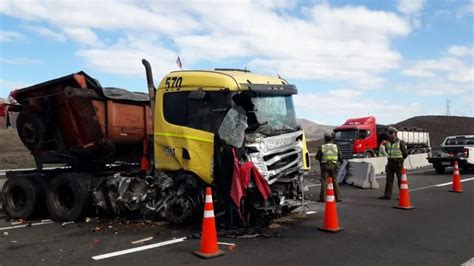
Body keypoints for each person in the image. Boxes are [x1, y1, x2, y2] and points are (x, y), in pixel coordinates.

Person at [379, 127, 408, 199]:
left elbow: (405, 153)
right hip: (390, 162)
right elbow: (386, 150)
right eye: (389, 133)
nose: (389, 135)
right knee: (389, 180)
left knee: (400, 180)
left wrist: (400, 160)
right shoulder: (387, 142)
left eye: (391, 133)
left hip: (398, 163)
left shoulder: (400, 142)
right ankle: (387, 195)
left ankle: (402, 195)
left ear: (395, 134)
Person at [316, 132, 343, 202]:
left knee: (324, 181)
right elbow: (340, 156)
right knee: (335, 181)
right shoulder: (336, 146)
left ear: (325, 139)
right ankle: (338, 198)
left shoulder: (322, 147)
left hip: (325, 166)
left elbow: (317, 157)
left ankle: (322, 198)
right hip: (334, 165)